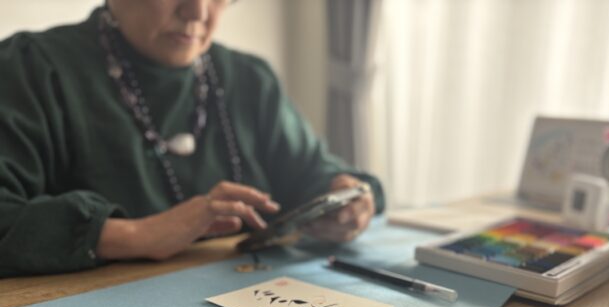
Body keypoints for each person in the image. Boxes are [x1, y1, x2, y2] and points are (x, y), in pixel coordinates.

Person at [0, 0, 383, 278]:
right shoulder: (30, 68)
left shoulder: (250, 79)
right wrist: (135, 235)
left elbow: (314, 172)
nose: (198, 12)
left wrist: (348, 199)